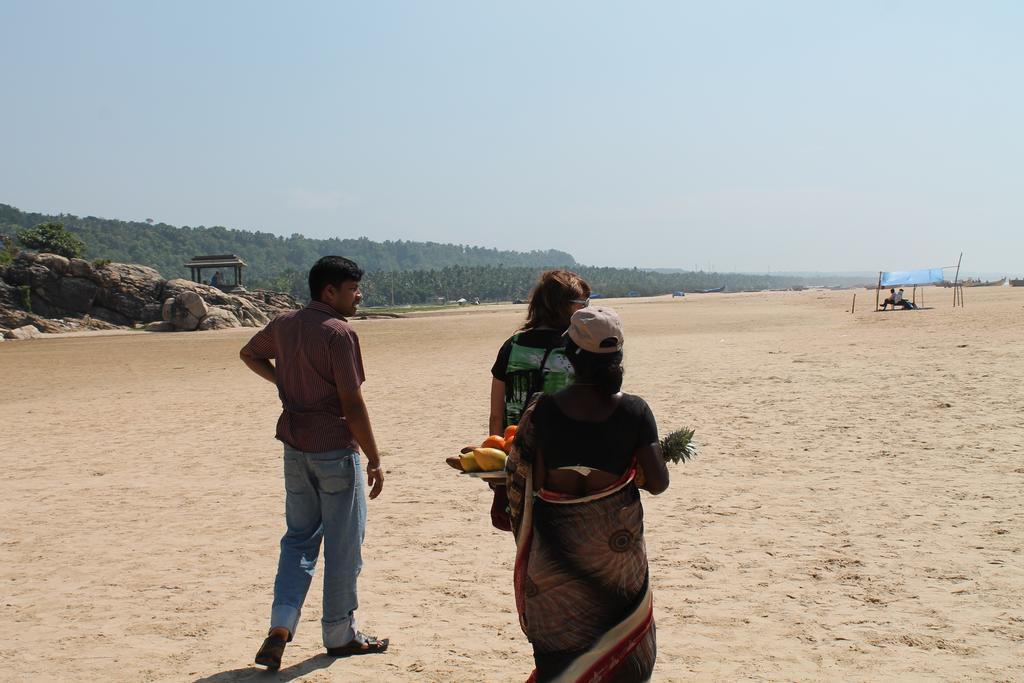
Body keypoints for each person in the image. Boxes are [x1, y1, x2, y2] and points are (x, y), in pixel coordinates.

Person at [239, 256, 388, 671]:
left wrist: (284, 381)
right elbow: (352, 403)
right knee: (344, 545)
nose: (359, 296)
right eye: (353, 288)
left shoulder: (285, 323)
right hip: (335, 451)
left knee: (298, 540)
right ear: (330, 291)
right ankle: (340, 632)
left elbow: (250, 354)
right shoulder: (339, 333)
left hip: (294, 445)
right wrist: (374, 458)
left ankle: (281, 626)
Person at [505, 306, 669, 682]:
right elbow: (658, 483)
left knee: (560, 654)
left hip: (555, 554)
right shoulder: (634, 411)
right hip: (616, 557)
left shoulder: (543, 409)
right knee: (624, 650)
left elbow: (527, 473)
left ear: (571, 356)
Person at [487, 269, 591, 529]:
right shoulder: (580, 348)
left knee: (526, 549)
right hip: (568, 466)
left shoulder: (512, 346)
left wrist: (499, 476)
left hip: (516, 462)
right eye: (583, 303)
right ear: (564, 306)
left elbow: (496, 415)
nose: (588, 309)